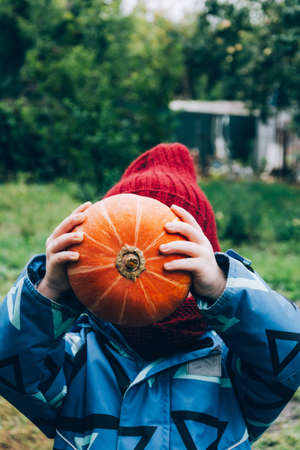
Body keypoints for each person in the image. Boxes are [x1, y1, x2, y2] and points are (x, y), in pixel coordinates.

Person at [0, 143, 299, 450]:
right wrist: (50, 291)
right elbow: (9, 363)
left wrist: (224, 287)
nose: (143, 257)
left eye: (171, 250)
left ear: (203, 259)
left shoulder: (228, 360)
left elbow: (292, 355)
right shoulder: (80, 353)